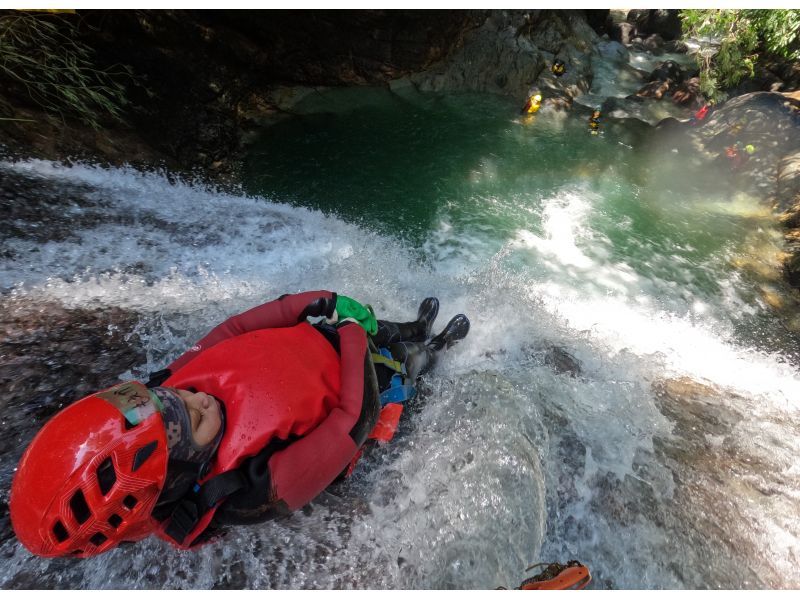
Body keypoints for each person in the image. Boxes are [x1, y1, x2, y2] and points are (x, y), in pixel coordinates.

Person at [9, 290, 470, 558]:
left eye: (165, 398)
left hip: (323, 339)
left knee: (385, 330)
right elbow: (353, 421)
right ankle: (435, 348)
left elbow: (231, 332)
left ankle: (413, 326)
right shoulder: (251, 492)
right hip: (357, 381)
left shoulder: (169, 393)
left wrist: (312, 303)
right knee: (402, 363)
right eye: (183, 419)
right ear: (181, 475)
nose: (193, 395)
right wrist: (350, 331)